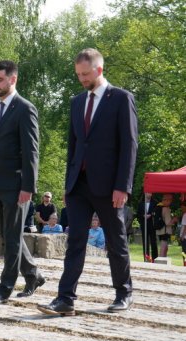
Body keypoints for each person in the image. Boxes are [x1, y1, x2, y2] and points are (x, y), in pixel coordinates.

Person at [37, 48, 138, 316]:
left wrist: (123, 186)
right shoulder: (77, 102)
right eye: (78, 74)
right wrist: (67, 184)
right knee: (75, 241)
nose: (81, 79)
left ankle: (124, 293)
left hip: (109, 186)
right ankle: (65, 299)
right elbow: (74, 146)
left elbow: (129, 145)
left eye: (85, 74)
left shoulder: (121, 99)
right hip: (78, 185)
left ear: (99, 70)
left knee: (115, 242)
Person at [0, 60, 45, 304]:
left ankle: (4, 288)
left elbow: (31, 151)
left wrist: (29, 186)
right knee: (6, 235)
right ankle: (33, 274)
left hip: (17, 185)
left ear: (12, 79)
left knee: (13, 237)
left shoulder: (25, 109)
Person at [136, 192, 158, 261]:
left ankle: (155, 259)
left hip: (152, 225)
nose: (150, 194)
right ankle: (146, 258)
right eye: (148, 192)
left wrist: (151, 215)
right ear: (145, 193)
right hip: (144, 225)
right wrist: (143, 216)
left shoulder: (155, 203)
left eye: (151, 193)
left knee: (153, 242)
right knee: (145, 242)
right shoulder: (140, 203)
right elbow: (138, 214)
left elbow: (156, 212)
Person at [179, 202, 186, 266]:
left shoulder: (185, 215)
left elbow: (185, 227)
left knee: (184, 252)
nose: (182, 209)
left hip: (184, 237)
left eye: (183, 208)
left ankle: (185, 264)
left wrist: (182, 236)